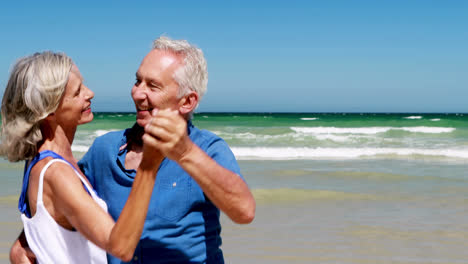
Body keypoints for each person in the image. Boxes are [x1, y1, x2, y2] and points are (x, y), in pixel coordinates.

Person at [11, 36, 256, 263]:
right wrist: (25, 242)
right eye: (137, 80)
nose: (138, 93)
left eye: (153, 86)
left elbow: (244, 211)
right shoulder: (103, 150)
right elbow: (61, 202)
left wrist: (185, 152)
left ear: (187, 101)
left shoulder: (208, 149)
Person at [2, 51, 164, 263]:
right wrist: (149, 165)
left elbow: (19, 251)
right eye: (78, 92)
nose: (90, 93)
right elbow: (122, 246)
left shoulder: (43, 163)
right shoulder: (57, 173)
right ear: (49, 110)